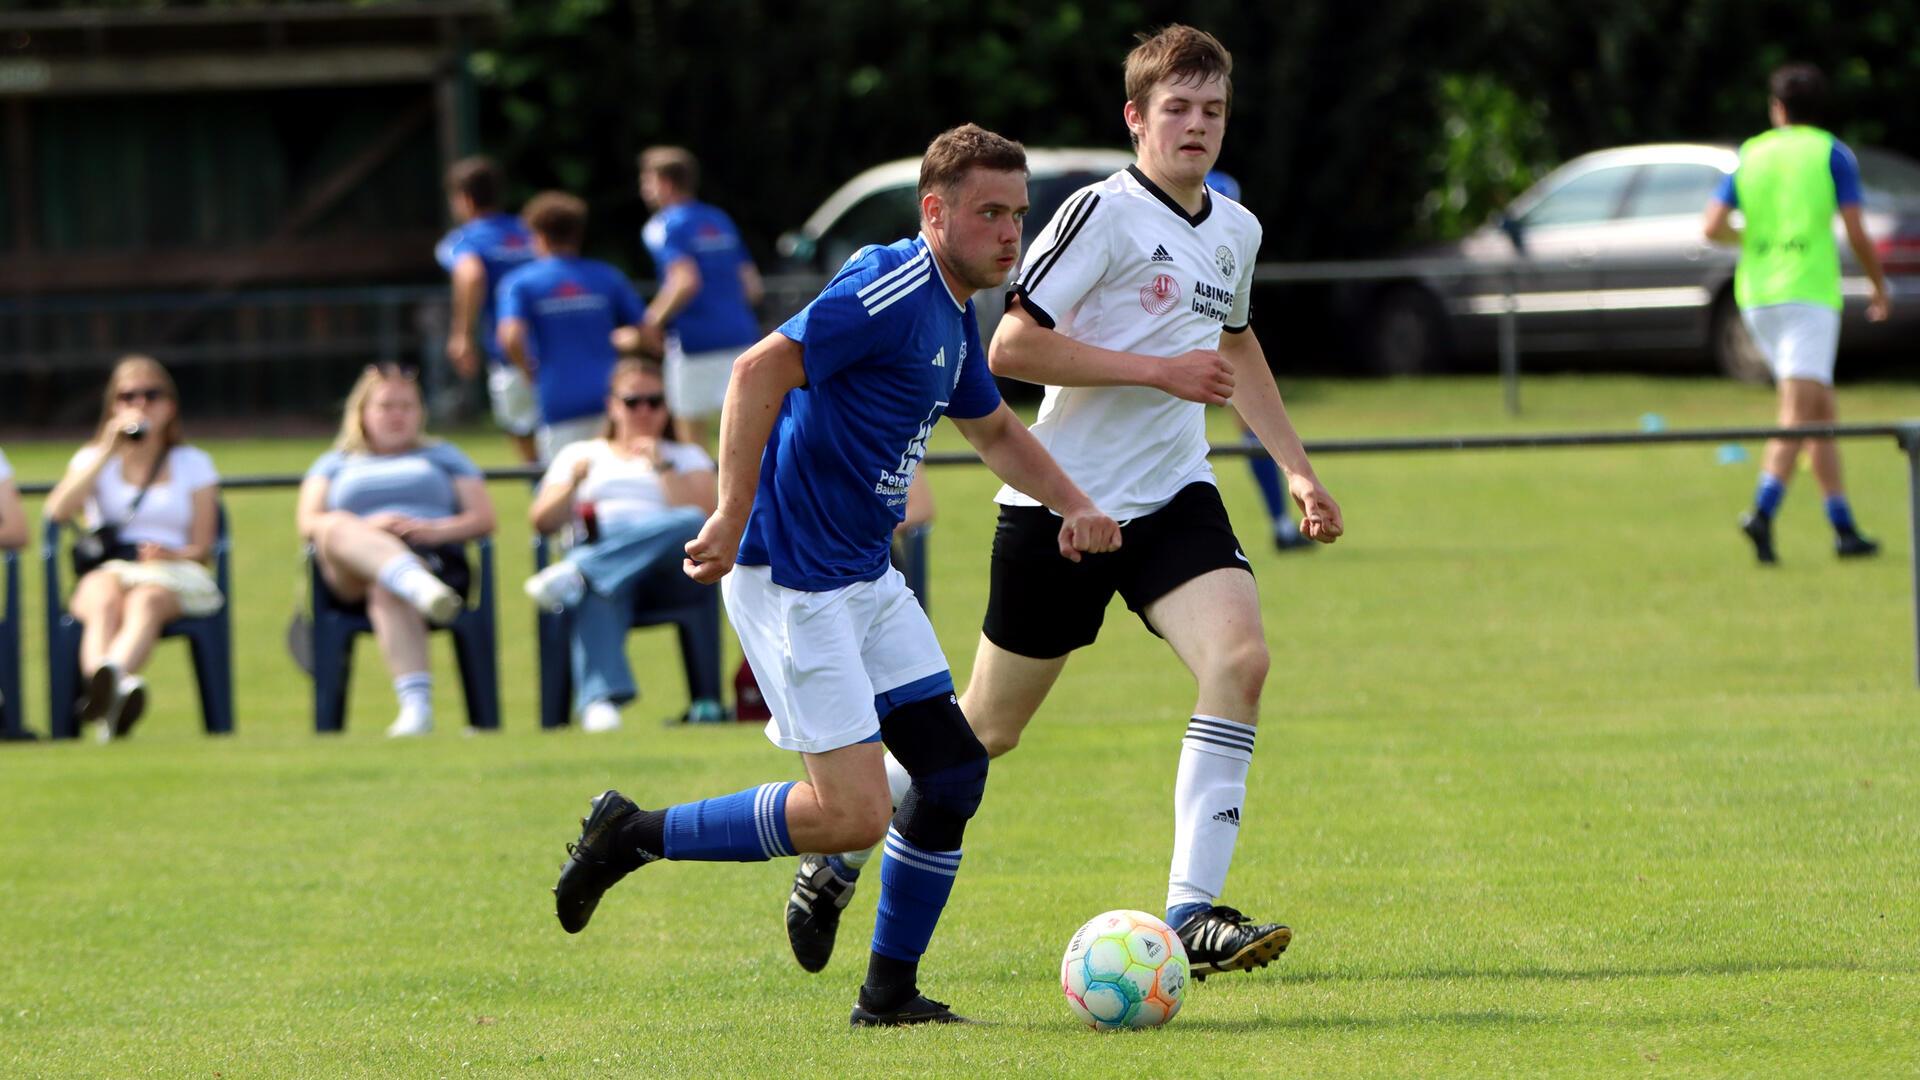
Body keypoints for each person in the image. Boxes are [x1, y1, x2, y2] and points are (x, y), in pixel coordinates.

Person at [786, 26, 1344, 984]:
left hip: (1175, 499)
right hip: (1064, 509)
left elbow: (1237, 349)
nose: (1197, 126)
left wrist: (1295, 467)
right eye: (1177, 109)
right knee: (985, 733)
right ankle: (836, 848)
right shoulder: (1099, 214)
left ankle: (1192, 913)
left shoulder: (1236, 228)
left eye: (1212, 110)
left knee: (1241, 660)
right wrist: (1156, 371)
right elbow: (1011, 349)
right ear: (1136, 118)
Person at [550, 124, 1120, 1027]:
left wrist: (1075, 503)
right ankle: (634, 835)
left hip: (863, 572)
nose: (1011, 233)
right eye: (990, 213)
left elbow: (997, 432)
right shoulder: (891, 286)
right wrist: (732, 514)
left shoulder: (954, 307)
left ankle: (889, 995)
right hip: (793, 576)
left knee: (953, 771)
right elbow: (756, 368)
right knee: (851, 816)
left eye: (1019, 214)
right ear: (935, 213)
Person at [1704, 62, 1892, 565]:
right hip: (1806, 294)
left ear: (1777, 108)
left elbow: (1713, 226)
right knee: (1797, 412)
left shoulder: (1751, 153)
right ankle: (1762, 512)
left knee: (1819, 413)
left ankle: (1843, 527)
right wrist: (1878, 286)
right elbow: (1855, 228)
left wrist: (1754, 241)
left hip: (1758, 294)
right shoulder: (1831, 152)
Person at [296, 365, 497, 737]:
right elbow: (308, 522)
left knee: (386, 585)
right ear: (362, 413)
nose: (397, 415)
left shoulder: (443, 455)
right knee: (333, 524)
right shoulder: (334, 462)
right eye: (386, 405)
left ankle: (416, 708)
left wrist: (434, 528)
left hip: (433, 555)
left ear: (421, 413)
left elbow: (483, 518)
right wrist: (367, 529)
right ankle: (412, 581)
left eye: (407, 406)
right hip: (347, 569)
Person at [525, 358, 720, 733]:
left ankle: (579, 571)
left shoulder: (685, 455)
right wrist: (571, 484)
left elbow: (707, 517)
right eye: (633, 402)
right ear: (613, 405)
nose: (644, 411)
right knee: (597, 585)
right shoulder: (580, 454)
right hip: (600, 545)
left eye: (654, 401)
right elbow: (542, 521)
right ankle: (601, 702)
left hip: (672, 567)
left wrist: (662, 466)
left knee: (687, 522)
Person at [44, 356, 223, 741]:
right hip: (111, 568)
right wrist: (107, 450)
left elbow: (205, 546)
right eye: (128, 396)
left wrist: (170, 554)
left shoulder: (194, 463)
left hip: (171, 571)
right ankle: (111, 690)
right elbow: (56, 511)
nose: (139, 405)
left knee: (146, 600)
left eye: (151, 395)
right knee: (101, 596)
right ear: (113, 406)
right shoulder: (93, 458)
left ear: (170, 406)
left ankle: (106, 684)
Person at [497, 192, 648, 461]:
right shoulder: (606, 275)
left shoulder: (520, 282)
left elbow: (510, 336)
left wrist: (529, 371)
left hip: (558, 395)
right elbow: (643, 332)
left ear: (538, 235)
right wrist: (619, 341)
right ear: (578, 232)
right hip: (610, 394)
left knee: (566, 482)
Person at [1207, 169, 1310, 552]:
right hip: (1179, 352)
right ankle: (1282, 525)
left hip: (1218, 343)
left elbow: (1235, 336)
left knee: (1251, 429)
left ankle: (1283, 524)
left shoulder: (1236, 233)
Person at [636, 147, 765, 447]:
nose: (644, 190)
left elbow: (684, 281)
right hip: (741, 335)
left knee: (690, 440)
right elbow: (752, 286)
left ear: (664, 184)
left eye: (647, 181)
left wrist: (649, 322)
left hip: (695, 343)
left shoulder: (663, 225)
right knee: (747, 436)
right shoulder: (719, 219)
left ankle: (699, 496)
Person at [437, 156, 539, 462]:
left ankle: (544, 497)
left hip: (511, 350)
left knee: (522, 430)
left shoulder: (464, 240)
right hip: (555, 344)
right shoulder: (531, 232)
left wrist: (462, 335)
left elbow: (470, 274)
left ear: (463, 199)